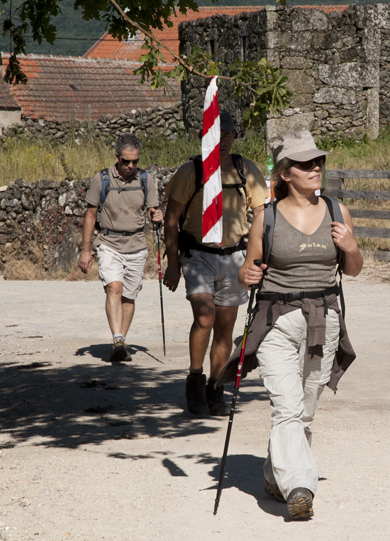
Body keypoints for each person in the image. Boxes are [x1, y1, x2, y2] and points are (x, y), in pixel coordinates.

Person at [222, 129, 363, 520]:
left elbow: (352, 270)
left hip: (324, 320)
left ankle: (274, 474)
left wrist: (351, 248)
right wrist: (245, 276)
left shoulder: (337, 212)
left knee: (305, 411)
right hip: (276, 321)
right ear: (286, 173)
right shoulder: (265, 216)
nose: (315, 167)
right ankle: (300, 486)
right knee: (286, 407)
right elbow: (248, 270)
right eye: (305, 163)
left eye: (318, 161)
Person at [162, 111, 268, 417]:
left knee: (225, 328)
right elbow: (171, 220)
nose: (221, 140)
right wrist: (172, 263)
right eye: (215, 134)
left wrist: (254, 259)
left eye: (227, 134)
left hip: (235, 255)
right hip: (198, 256)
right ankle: (195, 381)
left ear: (234, 137)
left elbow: (261, 212)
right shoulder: (190, 172)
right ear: (203, 136)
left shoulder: (245, 170)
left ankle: (215, 386)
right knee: (205, 317)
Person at [78, 133, 163, 362]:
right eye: (126, 161)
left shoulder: (146, 180)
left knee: (129, 296)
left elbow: (152, 210)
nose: (130, 166)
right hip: (109, 243)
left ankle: (120, 344)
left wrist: (157, 215)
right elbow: (90, 215)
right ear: (117, 157)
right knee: (114, 287)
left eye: (135, 161)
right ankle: (117, 338)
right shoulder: (102, 179)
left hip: (136, 245)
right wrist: (86, 251)